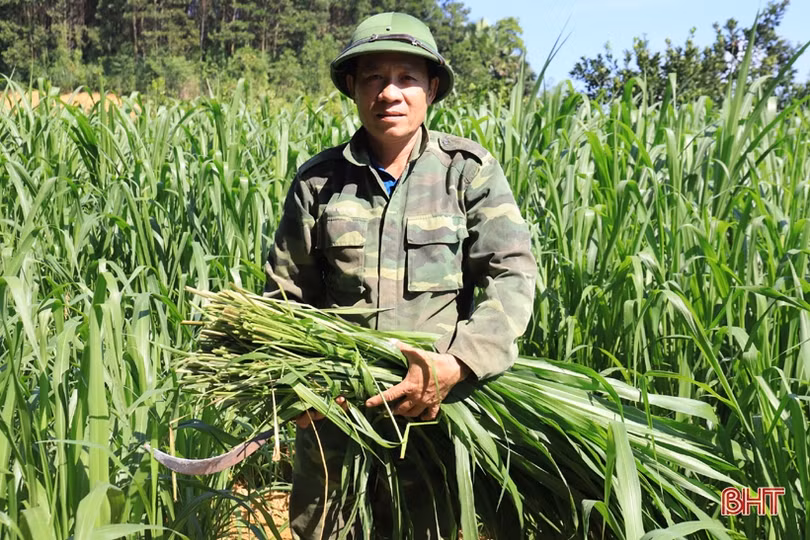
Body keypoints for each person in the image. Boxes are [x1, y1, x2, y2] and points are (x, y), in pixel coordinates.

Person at [263, 11, 537, 540]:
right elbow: (285, 294)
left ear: (431, 89)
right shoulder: (318, 183)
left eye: (407, 78)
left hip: (433, 418)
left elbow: (512, 274)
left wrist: (457, 364)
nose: (390, 92)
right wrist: (297, 387)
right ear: (353, 88)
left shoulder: (468, 171)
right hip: (334, 419)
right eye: (373, 78)